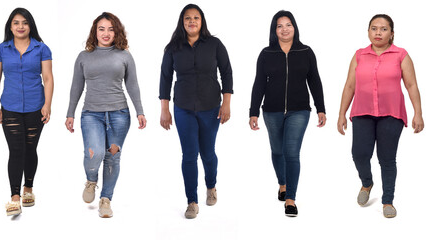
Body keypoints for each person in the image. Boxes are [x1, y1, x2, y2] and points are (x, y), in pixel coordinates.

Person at [337, 14, 424, 218]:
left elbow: (411, 85)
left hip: (391, 114)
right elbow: (350, 85)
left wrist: (418, 113)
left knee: (386, 159)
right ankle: (367, 183)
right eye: (374, 28)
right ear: (368, 32)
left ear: (391, 33)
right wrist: (341, 113)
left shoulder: (401, 55)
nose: (378, 32)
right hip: (362, 112)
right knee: (359, 154)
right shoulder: (359, 55)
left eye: (384, 29)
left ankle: (387, 201)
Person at [65, 12, 146, 218]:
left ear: (116, 31)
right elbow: (76, 86)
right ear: (95, 31)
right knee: (95, 154)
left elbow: (133, 85)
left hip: (119, 114)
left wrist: (140, 111)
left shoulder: (124, 55)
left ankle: (106, 200)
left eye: (111, 29)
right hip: (91, 114)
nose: (106, 33)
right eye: (102, 29)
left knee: (113, 157)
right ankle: (91, 179)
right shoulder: (84, 57)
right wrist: (70, 113)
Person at [249, 10, 326, 217]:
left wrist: (321, 108)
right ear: (275, 30)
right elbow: (259, 84)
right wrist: (253, 111)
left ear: (295, 27)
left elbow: (315, 81)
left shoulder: (306, 51)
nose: (285, 29)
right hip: (271, 111)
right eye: (280, 26)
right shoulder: (266, 53)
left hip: (299, 110)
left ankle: (290, 199)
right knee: (277, 151)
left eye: (288, 24)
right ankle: (282, 184)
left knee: (291, 152)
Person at [159, 4, 233, 219]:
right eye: (188, 18)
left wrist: (226, 103)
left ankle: (211, 185)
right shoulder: (173, 47)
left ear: (202, 21)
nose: (192, 21)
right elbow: (165, 78)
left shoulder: (214, 44)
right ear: (182, 22)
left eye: (196, 18)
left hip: (211, 107)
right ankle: (192, 201)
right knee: (189, 155)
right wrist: (164, 109)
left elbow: (227, 73)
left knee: (207, 153)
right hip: (183, 108)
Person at [0, 8, 54, 216]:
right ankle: (15, 197)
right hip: (10, 107)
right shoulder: (1, 49)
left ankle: (29, 188)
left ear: (30, 25)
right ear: (10, 26)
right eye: (16, 23)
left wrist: (47, 104)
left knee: (30, 148)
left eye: (24, 23)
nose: (20, 26)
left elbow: (48, 78)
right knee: (16, 150)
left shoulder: (42, 48)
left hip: (36, 107)